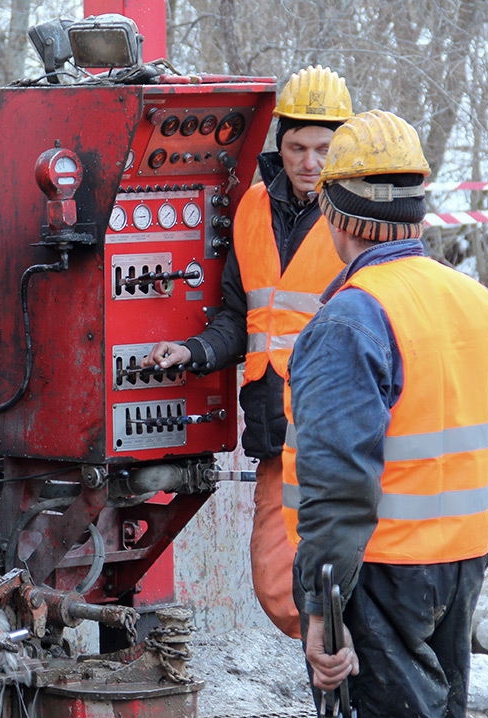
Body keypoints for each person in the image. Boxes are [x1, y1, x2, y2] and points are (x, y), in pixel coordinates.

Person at [283, 109, 488, 718]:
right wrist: (475, 551)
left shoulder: (352, 317)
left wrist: (323, 609)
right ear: (419, 211)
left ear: (335, 214)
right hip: (457, 559)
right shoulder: (476, 302)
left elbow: (338, 483)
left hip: (381, 570)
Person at [149, 66, 352, 638]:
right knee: (280, 587)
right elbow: (241, 318)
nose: (311, 162)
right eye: (297, 147)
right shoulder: (253, 209)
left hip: (340, 433)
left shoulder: (359, 218)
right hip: (276, 433)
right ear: (280, 143)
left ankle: (347, 700)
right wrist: (193, 352)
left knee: (344, 586)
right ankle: (339, 675)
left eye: (324, 149)